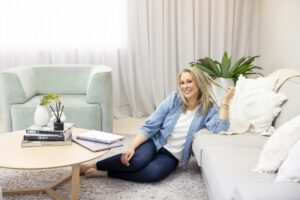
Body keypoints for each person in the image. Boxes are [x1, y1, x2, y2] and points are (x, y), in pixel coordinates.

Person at [80, 67, 235, 183]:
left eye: (189, 81)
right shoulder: (174, 99)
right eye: (182, 82)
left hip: (172, 155)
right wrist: (132, 146)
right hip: (155, 142)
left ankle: (106, 173)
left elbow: (221, 128)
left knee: (152, 174)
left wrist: (225, 102)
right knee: (136, 161)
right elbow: (151, 125)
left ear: (199, 83)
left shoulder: (208, 110)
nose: (184, 86)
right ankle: (94, 165)